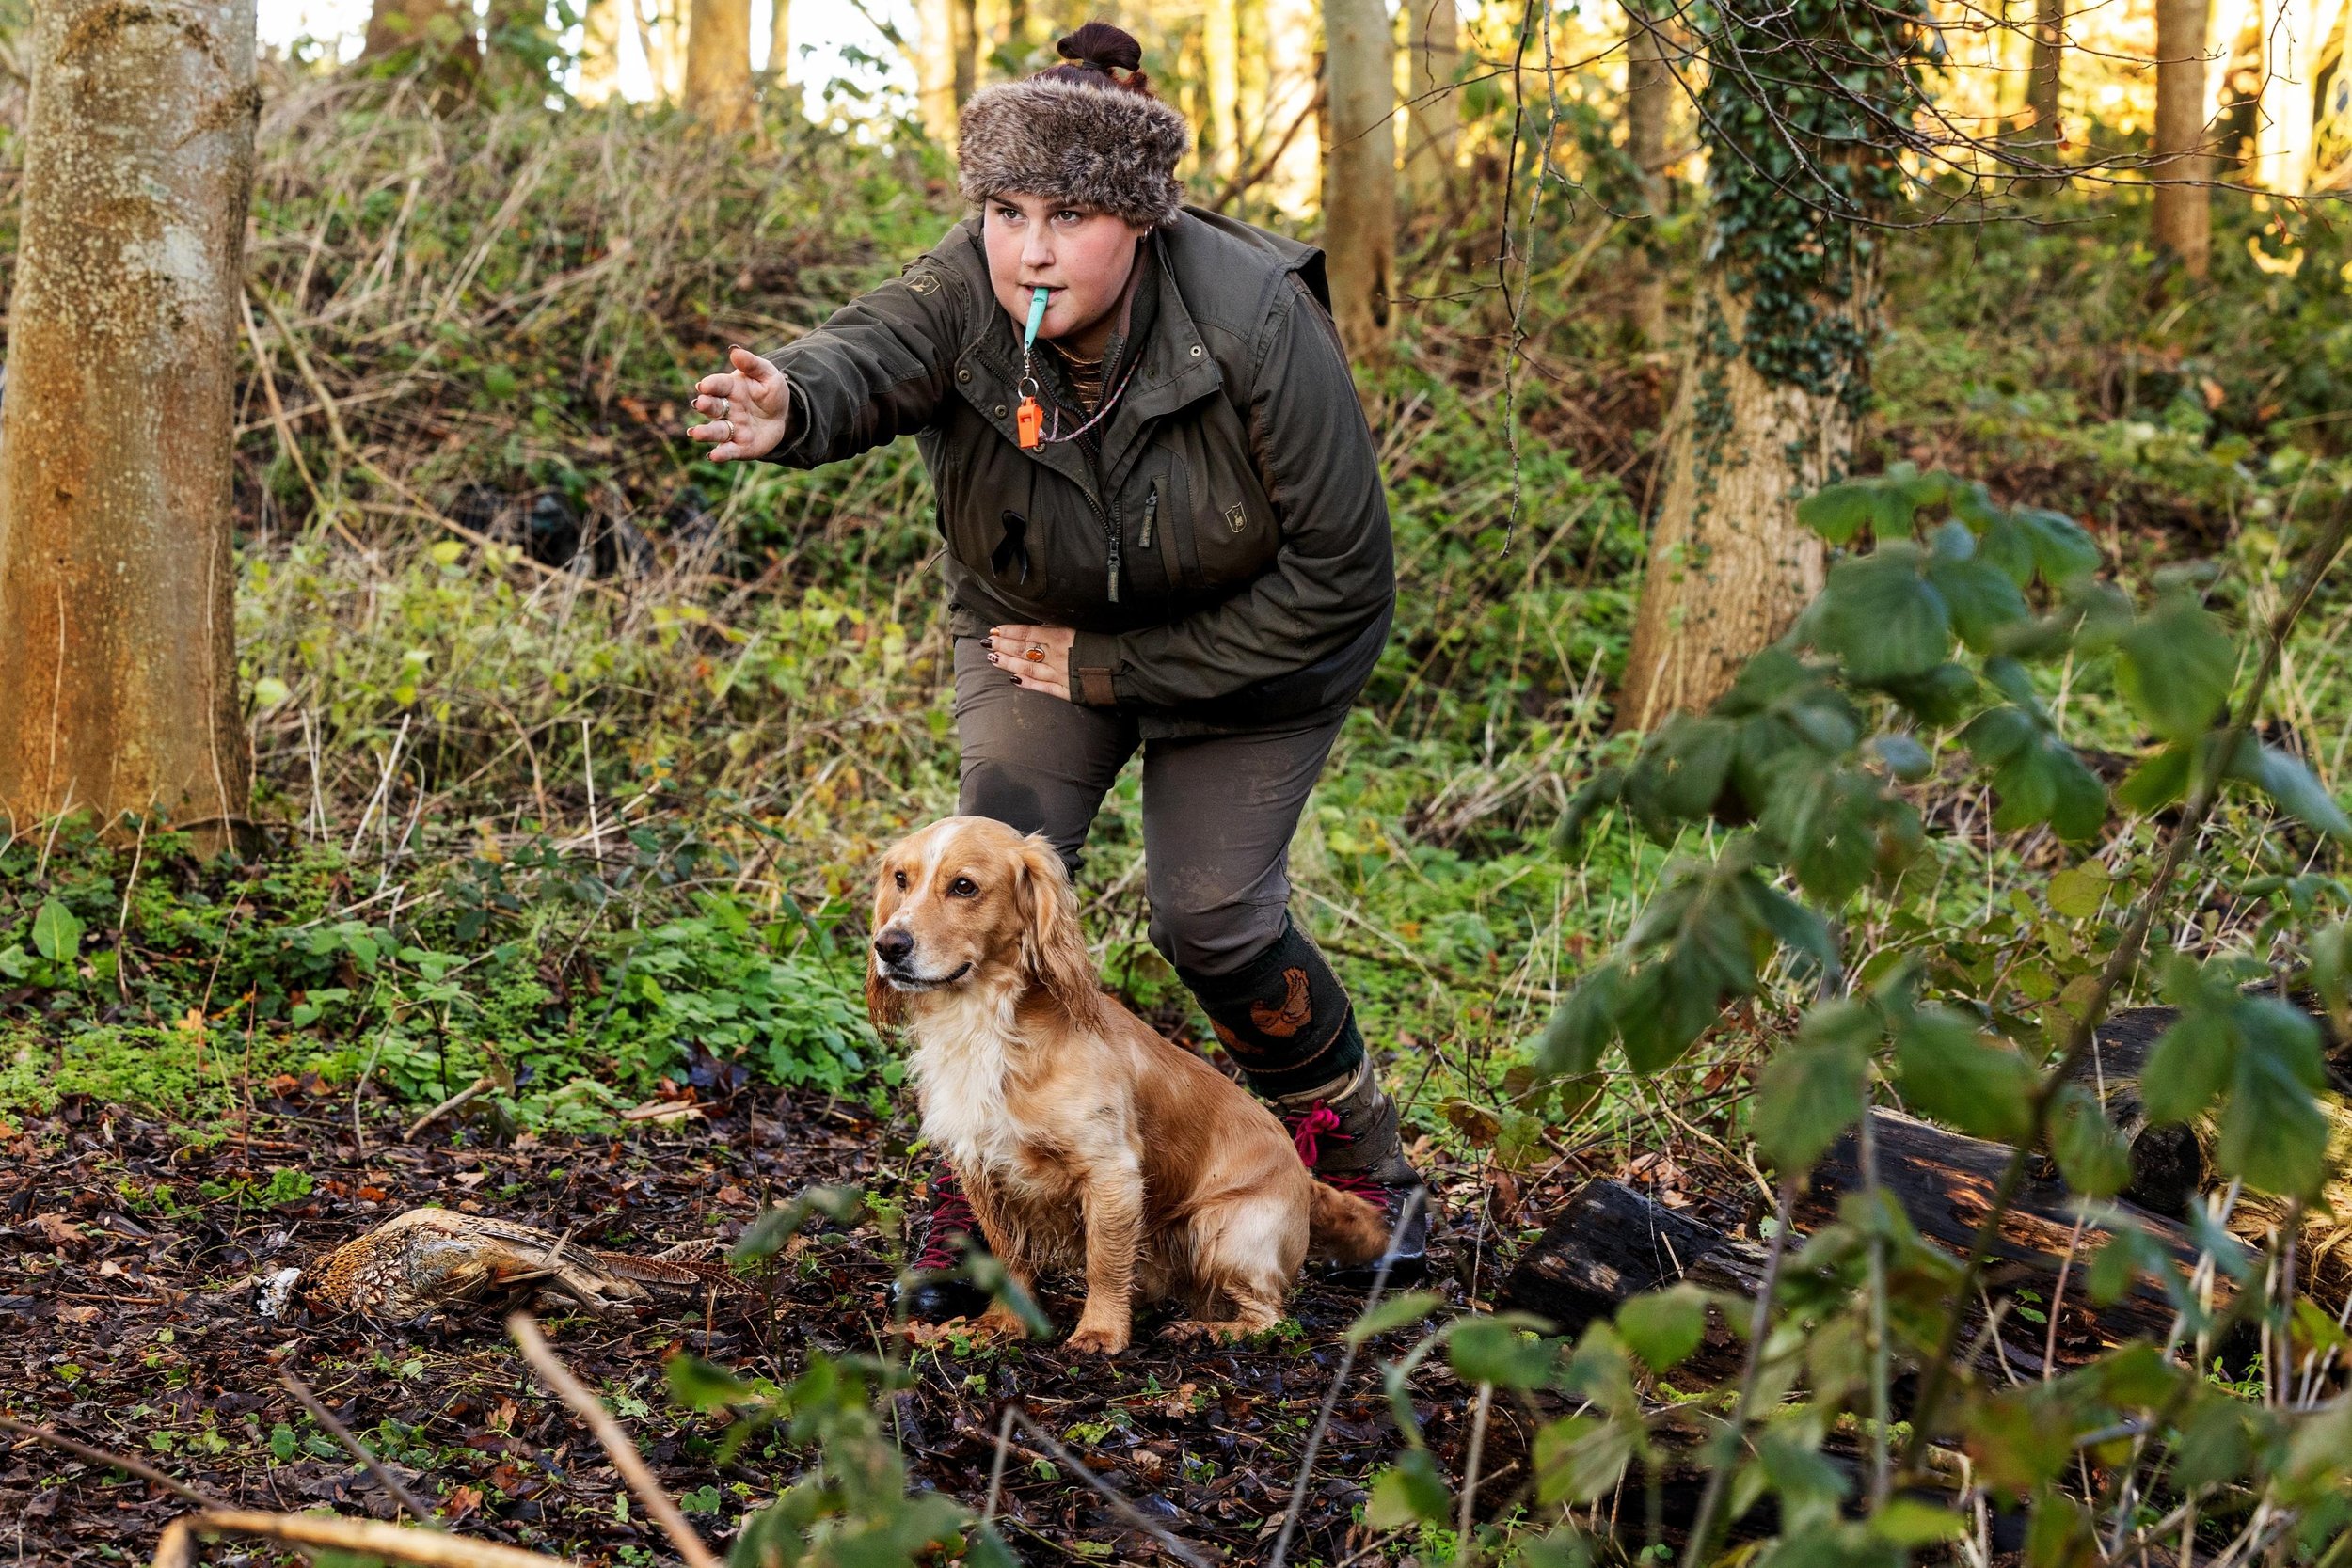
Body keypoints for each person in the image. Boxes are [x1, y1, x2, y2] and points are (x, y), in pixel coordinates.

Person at [686, 21, 1428, 1318]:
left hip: (1258, 653)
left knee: (1212, 915)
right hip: (1031, 629)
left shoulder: (1257, 316)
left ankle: (1355, 1160)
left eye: (1070, 216)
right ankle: (987, 1179)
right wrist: (792, 402)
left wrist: (1115, 665)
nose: (1029, 249)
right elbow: (869, 353)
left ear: (1140, 219)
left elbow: (1341, 578)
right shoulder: (964, 290)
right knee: (987, 869)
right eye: (1007, 211)